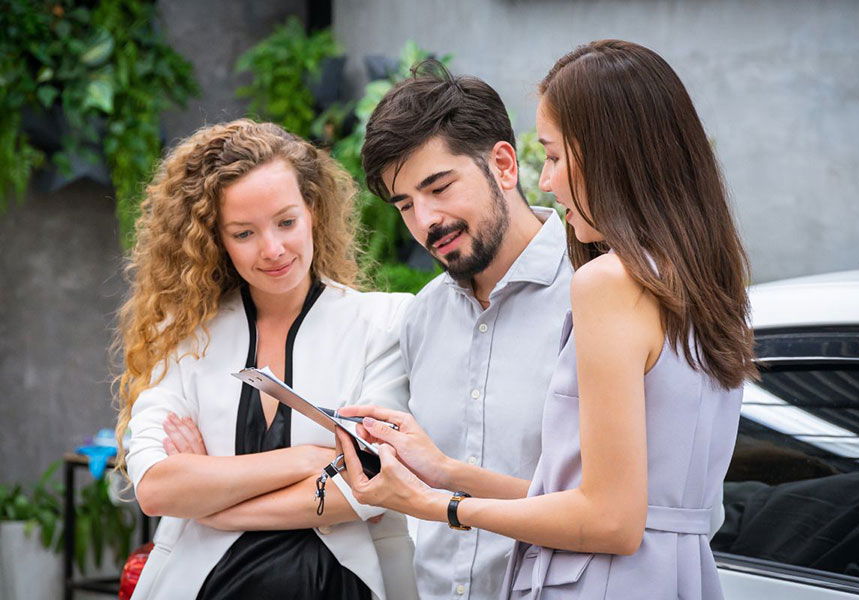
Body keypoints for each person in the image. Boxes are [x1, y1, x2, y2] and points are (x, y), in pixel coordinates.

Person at [338, 40, 757, 600]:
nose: (547, 180)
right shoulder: (697, 275)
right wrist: (446, 471)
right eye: (404, 204)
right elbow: (638, 506)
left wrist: (431, 503)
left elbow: (612, 519)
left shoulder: (604, 283)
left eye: (555, 156)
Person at [113, 119, 417, 600]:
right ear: (216, 237)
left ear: (313, 210)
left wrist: (213, 501)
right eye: (244, 232)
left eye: (286, 222)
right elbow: (157, 489)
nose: (272, 249)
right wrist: (307, 460)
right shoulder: (185, 336)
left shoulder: (383, 324)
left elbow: (371, 485)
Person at [359, 63, 573, 599]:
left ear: (502, 164)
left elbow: (625, 512)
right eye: (404, 204)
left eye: (438, 187)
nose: (425, 220)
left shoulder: (595, 296)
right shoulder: (422, 316)